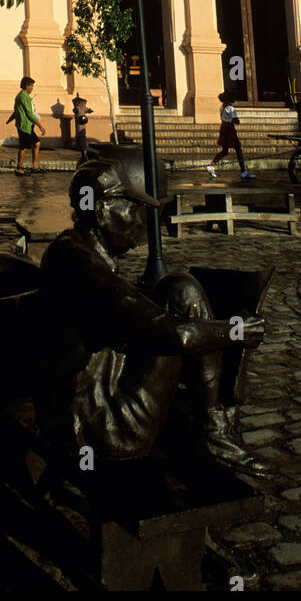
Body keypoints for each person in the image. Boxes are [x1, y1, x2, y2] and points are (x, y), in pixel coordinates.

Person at [35, 159, 271, 476]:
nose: (139, 221)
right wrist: (235, 331)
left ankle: (213, 425)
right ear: (101, 210)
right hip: (100, 428)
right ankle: (214, 430)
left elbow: (119, 312)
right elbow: (175, 336)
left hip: (86, 407)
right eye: (130, 208)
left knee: (179, 289)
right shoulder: (80, 264)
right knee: (181, 299)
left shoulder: (71, 248)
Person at [206, 90, 254, 180]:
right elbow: (236, 120)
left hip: (224, 128)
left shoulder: (222, 107)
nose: (235, 99)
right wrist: (237, 119)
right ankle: (243, 171)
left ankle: (211, 165)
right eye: (233, 97)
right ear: (229, 98)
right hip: (230, 129)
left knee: (225, 150)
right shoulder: (231, 108)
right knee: (238, 149)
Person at [6, 75, 46, 173]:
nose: (32, 88)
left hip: (25, 125)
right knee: (23, 146)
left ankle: (34, 167)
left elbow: (16, 111)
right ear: (26, 86)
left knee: (36, 143)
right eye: (31, 86)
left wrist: (10, 119)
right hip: (24, 126)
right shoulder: (24, 97)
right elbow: (29, 113)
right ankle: (19, 168)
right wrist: (40, 125)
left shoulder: (20, 96)